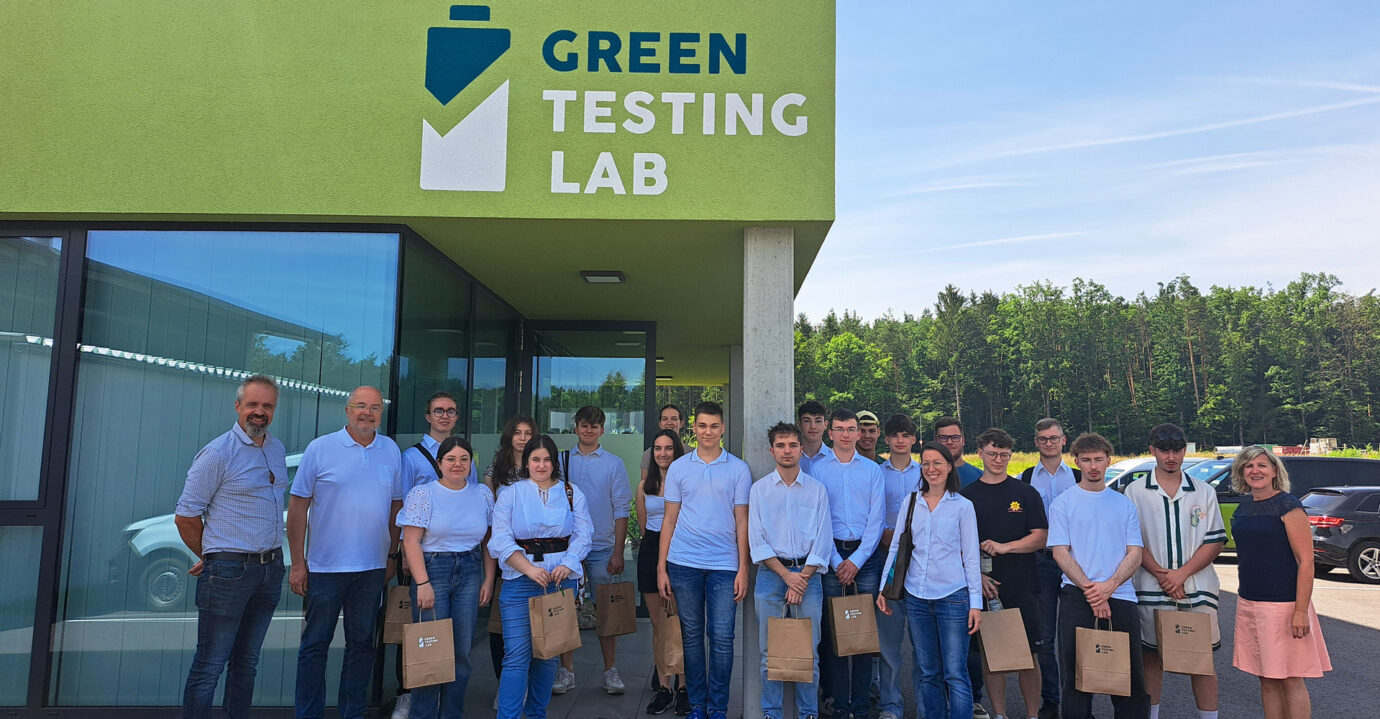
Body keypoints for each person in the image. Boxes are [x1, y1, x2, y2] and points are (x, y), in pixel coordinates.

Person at [175, 375, 288, 719]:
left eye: (267, 406)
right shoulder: (217, 454)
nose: (259, 412)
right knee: (211, 663)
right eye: (252, 404)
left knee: (247, 663)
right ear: (238, 406)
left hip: (270, 569)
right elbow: (186, 516)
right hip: (229, 571)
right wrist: (211, 556)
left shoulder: (276, 448)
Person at [288, 386, 405, 719]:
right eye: (360, 406)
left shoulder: (390, 450)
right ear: (347, 409)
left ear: (381, 413)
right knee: (314, 648)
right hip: (324, 569)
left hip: (371, 570)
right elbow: (298, 507)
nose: (367, 413)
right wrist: (299, 563)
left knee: (362, 648)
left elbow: (397, 505)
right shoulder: (321, 448)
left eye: (375, 408)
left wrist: (392, 555)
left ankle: (351, 714)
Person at [488, 434, 594, 719]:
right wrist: (529, 569)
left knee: (548, 655)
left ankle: (537, 714)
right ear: (527, 461)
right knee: (516, 657)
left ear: (555, 462)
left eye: (547, 459)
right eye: (536, 459)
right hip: (521, 581)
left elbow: (584, 534)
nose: (541, 465)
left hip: (560, 581)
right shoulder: (510, 493)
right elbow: (499, 539)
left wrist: (570, 563)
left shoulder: (572, 492)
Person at [657, 401, 752, 719]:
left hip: (725, 566)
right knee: (691, 635)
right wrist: (662, 567)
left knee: (723, 637)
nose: (708, 431)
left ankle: (718, 707)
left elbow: (742, 521)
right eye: (702, 426)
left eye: (714, 426)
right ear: (693, 429)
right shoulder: (680, 468)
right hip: (683, 563)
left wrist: (743, 568)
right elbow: (669, 519)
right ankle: (697, 704)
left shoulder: (738, 469)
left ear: (722, 428)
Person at [1125, 424, 1226, 719]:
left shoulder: (1203, 491)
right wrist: (1162, 575)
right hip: (1149, 587)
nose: (1171, 457)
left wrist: (1181, 574)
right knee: (1151, 658)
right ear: (1152, 450)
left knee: (1201, 660)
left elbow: (1214, 541)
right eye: (1164, 450)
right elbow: (1133, 541)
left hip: (1197, 589)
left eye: (1177, 450)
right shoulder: (1135, 490)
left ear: (1184, 450)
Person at [877, 441, 982, 719]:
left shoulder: (963, 507)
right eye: (926, 463)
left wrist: (976, 604)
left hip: (953, 597)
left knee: (956, 673)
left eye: (937, 463)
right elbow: (897, 549)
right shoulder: (910, 502)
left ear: (949, 467)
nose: (931, 469)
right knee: (928, 672)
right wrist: (883, 589)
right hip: (917, 597)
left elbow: (971, 558)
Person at [1050, 433, 1149, 719]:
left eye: (1098, 460)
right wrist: (1093, 592)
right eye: (1086, 460)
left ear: (1109, 460)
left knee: (1129, 678)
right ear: (1076, 461)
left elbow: (1135, 553)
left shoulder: (1123, 504)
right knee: (1077, 676)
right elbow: (1061, 552)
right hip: (1076, 597)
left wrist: (1109, 587)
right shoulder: (1063, 503)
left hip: (1121, 596)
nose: (1093, 466)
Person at [1228, 446, 1331, 719]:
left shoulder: (1288, 505)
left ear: (1275, 470)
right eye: (1249, 466)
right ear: (1241, 472)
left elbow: (1306, 561)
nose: (1255, 471)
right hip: (1250, 601)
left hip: (1284, 605)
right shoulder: (1244, 507)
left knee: (1290, 677)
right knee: (1266, 677)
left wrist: (1300, 611)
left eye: (1262, 465)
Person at [399, 436, 497, 719]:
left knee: (460, 652)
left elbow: (488, 542)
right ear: (440, 463)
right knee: (429, 650)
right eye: (451, 459)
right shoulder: (423, 494)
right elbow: (411, 542)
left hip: (469, 569)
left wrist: (488, 580)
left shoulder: (482, 494)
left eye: (464, 459)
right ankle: (423, 714)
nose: (458, 464)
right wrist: (422, 583)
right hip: (433, 571)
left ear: (471, 463)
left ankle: (451, 713)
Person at [749, 422, 834, 719]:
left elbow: (823, 540)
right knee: (768, 654)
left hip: (808, 577)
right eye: (781, 445)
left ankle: (808, 713)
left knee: (807, 653)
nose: (787, 450)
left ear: (801, 449)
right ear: (772, 450)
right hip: (771, 577)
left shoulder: (817, 490)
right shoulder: (759, 491)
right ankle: (772, 713)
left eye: (792, 445)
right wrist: (788, 578)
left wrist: (801, 579)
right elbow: (756, 541)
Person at [962, 428, 1049, 719]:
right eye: (992, 453)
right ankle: (999, 714)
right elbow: (957, 546)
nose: (998, 459)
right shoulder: (966, 497)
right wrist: (977, 578)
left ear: (1010, 456)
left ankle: (1031, 714)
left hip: (1024, 584)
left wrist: (1005, 547)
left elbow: (1041, 537)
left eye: (1003, 454)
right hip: (986, 588)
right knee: (991, 656)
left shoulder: (1025, 492)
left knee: (1029, 656)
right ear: (980, 454)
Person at [394, 391, 469, 719]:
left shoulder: (465, 456)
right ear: (428, 416)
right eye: (438, 410)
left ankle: (446, 705)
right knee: (419, 634)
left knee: (453, 640)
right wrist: (407, 559)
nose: (445, 416)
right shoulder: (411, 457)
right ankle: (407, 694)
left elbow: (471, 497)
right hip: (423, 558)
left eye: (451, 411)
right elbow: (400, 501)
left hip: (463, 561)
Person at [812, 409, 886, 719]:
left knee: (863, 632)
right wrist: (835, 559)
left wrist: (855, 560)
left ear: (859, 433)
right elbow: (817, 518)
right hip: (830, 555)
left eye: (851, 429)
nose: (845, 434)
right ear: (830, 433)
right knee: (834, 633)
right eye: (839, 428)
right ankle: (839, 703)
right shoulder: (817, 469)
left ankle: (861, 704)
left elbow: (877, 519)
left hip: (864, 558)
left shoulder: (872, 470)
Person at [555, 406, 633, 695]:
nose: (589, 430)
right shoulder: (560, 461)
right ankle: (567, 671)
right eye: (584, 425)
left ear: (602, 429)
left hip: (601, 548)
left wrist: (617, 552)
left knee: (606, 613)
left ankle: (610, 670)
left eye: (595, 426)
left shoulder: (614, 464)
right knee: (565, 611)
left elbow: (622, 509)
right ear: (575, 427)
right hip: (566, 549)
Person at [1018, 418, 1081, 719]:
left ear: (1063, 440)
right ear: (1036, 442)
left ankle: (1078, 703)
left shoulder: (1080, 476)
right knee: (1044, 636)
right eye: (1043, 439)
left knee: (1077, 634)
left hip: (1076, 562)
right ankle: (1051, 701)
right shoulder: (1025, 477)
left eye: (1053, 438)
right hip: (1041, 562)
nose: (1048, 443)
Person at [637, 429, 690, 715]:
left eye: (668, 448)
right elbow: (645, 528)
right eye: (658, 448)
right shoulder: (644, 485)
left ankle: (684, 687)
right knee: (659, 626)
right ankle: (665, 687)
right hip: (651, 550)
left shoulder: (685, 482)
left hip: (680, 551)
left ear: (677, 451)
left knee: (679, 624)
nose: (663, 453)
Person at [483, 414, 537, 686]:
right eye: (518, 432)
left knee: (535, 626)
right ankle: (503, 683)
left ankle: (527, 683)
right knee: (500, 627)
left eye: (528, 432)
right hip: (506, 555)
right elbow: (489, 515)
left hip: (538, 555)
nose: (523, 438)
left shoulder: (539, 466)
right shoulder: (496, 469)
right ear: (509, 435)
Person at [875, 414, 921, 719]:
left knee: (922, 644)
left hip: (920, 561)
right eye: (895, 435)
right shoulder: (876, 473)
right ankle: (890, 706)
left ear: (914, 439)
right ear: (887, 440)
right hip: (887, 559)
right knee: (889, 643)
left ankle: (924, 705)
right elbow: (869, 511)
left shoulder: (926, 472)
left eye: (906, 435)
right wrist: (884, 533)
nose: (900, 440)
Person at [642, 403, 685, 483]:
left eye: (674, 419)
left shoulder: (691, 453)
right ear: (660, 424)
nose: (669, 423)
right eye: (664, 419)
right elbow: (645, 485)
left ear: (681, 423)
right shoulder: (649, 454)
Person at [934, 417, 983, 487]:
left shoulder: (980, 478)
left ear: (963, 440)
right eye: (943, 438)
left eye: (955, 437)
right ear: (936, 441)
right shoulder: (924, 476)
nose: (949, 442)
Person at [797, 400, 833, 476]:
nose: (813, 426)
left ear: (825, 424)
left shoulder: (834, 459)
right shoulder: (791, 457)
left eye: (818, 421)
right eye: (807, 421)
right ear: (799, 424)